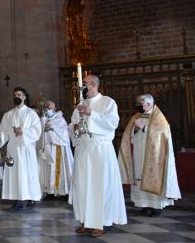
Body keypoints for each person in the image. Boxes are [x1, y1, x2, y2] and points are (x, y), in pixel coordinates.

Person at [68, 74, 127, 237]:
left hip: (100, 149)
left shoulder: (108, 102)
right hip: (83, 150)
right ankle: (87, 221)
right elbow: (73, 124)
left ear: (93, 85)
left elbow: (112, 123)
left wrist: (91, 113)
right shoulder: (80, 104)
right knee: (83, 186)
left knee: (101, 186)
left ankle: (102, 222)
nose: (82, 88)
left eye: (84, 84)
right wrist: (74, 129)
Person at [118, 94, 181, 217]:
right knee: (139, 177)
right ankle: (144, 204)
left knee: (153, 178)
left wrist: (145, 128)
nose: (139, 106)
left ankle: (156, 206)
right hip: (139, 153)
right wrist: (134, 130)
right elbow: (129, 134)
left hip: (155, 156)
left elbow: (162, 134)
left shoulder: (158, 118)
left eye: (142, 104)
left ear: (150, 104)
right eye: (138, 103)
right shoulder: (136, 116)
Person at [0, 87, 42, 211]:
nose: (17, 96)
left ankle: (27, 198)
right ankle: (17, 198)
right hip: (13, 149)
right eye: (15, 94)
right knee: (14, 175)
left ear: (24, 97)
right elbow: (3, 131)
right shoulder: (8, 114)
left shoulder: (31, 113)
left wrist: (24, 131)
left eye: (20, 94)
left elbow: (37, 131)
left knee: (26, 174)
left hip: (26, 149)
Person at [38, 101, 74, 198]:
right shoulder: (42, 119)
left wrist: (52, 128)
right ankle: (49, 191)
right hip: (47, 148)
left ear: (55, 108)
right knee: (48, 170)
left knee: (59, 169)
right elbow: (39, 132)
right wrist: (44, 128)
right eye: (47, 108)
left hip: (58, 148)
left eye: (51, 108)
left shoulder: (59, 118)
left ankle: (61, 191)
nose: (49, 110)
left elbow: (64, 133)